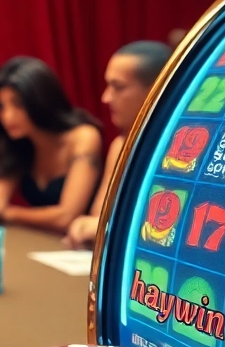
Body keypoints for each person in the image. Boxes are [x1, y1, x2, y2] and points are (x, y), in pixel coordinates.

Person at [0, 57, 103, 235]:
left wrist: (9, 213)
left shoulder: (83, 136)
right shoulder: (20, 141)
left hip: (82, 246)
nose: (7, 116)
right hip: (42, 243)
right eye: (1, 106)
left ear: (41, 100)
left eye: (17, 104)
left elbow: (66, 217)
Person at [64, 40, 172, 249]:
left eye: (118, 87)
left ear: (157, 89)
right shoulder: (119, 145)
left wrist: (107, 228)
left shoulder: (183, 152)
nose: (105, 98)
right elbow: (99, 217)